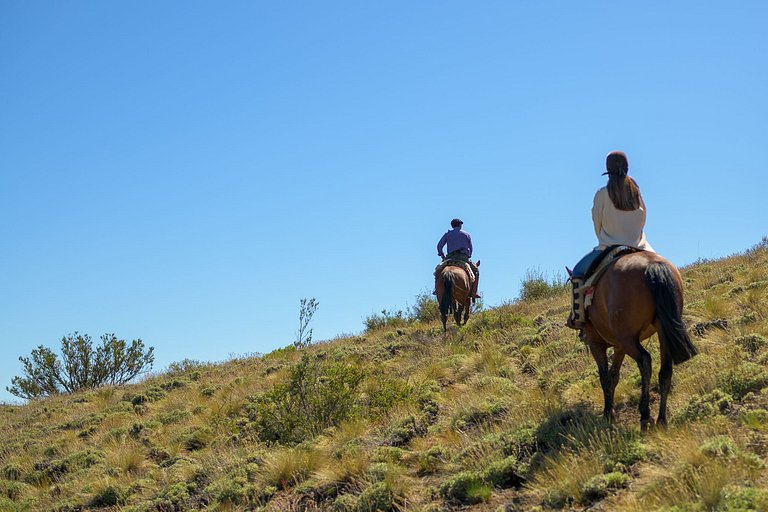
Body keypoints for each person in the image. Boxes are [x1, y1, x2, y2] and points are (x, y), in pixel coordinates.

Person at [567, 151, 655, 329]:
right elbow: (643, 219)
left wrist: (605, 237)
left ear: (607, 171)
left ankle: (578, 318)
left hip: (609, 246)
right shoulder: (636, 193)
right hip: (641, 247)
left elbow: (596, 222)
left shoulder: (602, 194)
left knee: (577, 272)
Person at [436, 218, 481, 300]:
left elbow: (439, 246)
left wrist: (442, 255)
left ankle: (437, 289)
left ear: (452, 226)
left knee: (437, 271)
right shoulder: (466, 234)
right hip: (463, 257)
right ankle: (474, 292)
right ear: (460, 225)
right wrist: (468, 255)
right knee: (476, 271)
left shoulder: (447, 234)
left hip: (450, 258)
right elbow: (470, 248)